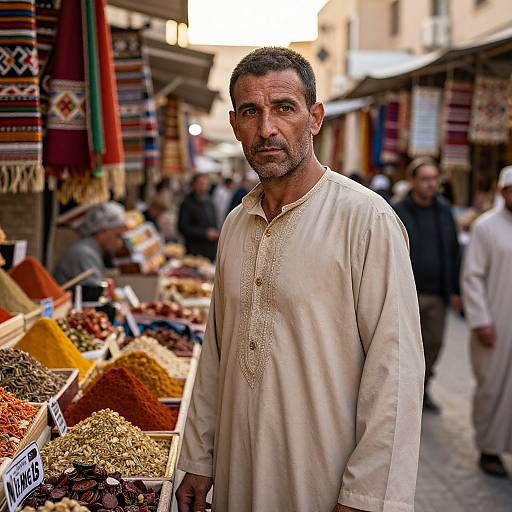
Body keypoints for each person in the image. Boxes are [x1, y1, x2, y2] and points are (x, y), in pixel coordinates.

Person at [176, 47, 424, 512]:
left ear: (314, 118)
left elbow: (397, 374)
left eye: (284, 108)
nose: (266, 128)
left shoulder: (366, 220)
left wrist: (366, 496)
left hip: (322, 484)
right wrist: (198, 456)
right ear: (234, 125)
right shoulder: (235, 223)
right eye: (251, 112)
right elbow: (216, 352)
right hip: (236, 474)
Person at [394, 158, 461, 414]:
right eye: (425, 179)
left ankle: (422, 388)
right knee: (403, 346)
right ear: (413, 181)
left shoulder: (444, 210)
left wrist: (455, 289)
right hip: (406, 293)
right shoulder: (399, 209)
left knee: (433, 344)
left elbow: (454, 251)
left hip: (437, 293)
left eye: (434, 179)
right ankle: (402, 391)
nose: (431, 184)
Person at [462, 166, 512, 478]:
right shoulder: (486, 227)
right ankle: (489, 448)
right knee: (492, 387)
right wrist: (481, 320)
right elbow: (472, 277)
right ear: (503, 191)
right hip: (495, 321)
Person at [54, 202, 126, 287]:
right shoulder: (84, 253)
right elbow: (93, 291)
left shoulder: (93, 251)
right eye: (118, 236)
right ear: (102, 232)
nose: (119, 242)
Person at [177, 174, 218, 261]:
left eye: (205, 184)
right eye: (200, 184)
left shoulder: (210, 202)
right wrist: (205, 233)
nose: (203, 187)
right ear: (193, 185)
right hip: (194, 253)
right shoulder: (187, 203)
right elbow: (182, 228)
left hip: (210, 252)